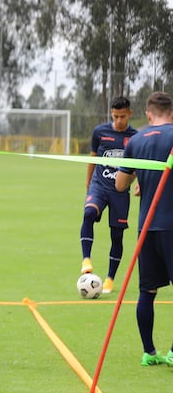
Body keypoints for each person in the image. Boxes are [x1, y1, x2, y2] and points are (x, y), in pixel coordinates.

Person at [116, 91, 173, 367]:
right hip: (172, 227)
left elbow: (119, 184)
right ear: (171, 114)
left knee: (147, 291)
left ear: (149, 115)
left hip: (147, 228)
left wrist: (142, 178)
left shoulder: (136, 140)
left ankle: (149, 352)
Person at [80, 96, 136, 294]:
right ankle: (86, 259)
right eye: (115, 116)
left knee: (117, 235)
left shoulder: (135, 137)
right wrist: (89, 184)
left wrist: (137, 183)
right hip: (99, 186)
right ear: (111, 114)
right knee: (88, 213)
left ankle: (110, 279)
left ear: (130, 114)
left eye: (122, 116)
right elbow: (93, 159)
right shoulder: (100, 132)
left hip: (120, 192)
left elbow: (138, 167)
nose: (119, 120)